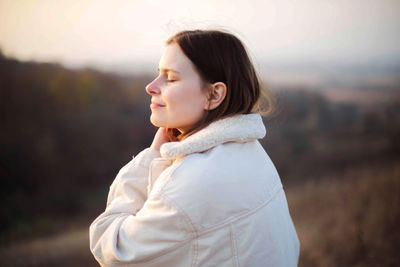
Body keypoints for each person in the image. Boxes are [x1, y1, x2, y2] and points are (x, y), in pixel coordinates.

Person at [89, 29, 300, 266]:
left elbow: (113, 249)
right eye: (158, 74)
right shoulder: (252, 153)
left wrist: (151, 158)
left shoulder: (189, 184)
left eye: (171, 78)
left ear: (214, 94)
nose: (151, 86)